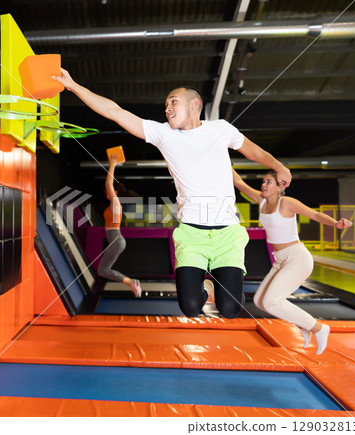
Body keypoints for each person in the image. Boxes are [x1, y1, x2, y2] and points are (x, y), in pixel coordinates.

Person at [54, 69, 292, 318]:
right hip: (191, 234)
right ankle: (206, 286)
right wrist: (73, 86)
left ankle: (223, 288)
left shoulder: (221, 129)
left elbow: (252, 151)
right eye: (165, 105)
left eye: (173, 102)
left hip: (227, 235)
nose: (167, 108)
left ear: (194, 104)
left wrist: (278, 166)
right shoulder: (163, 134)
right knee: (190, 307)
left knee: (230, 309)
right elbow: (115, 112)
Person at [232, 169, 352, 354]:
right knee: (259, 301)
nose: (263, 185)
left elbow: (315, 215)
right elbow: (239, 182)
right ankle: (305, 325)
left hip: (297, 258)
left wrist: (336, 223)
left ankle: (318, 328)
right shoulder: (261, 200)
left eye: (269, 182)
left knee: (271, 301)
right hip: (280, 260)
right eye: (263, 182)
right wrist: (222, 157)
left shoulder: (286, 202)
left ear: (281, 186)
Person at [97, 152, 142, 297]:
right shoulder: (113, 204)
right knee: (104, 270)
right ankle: (132, 283)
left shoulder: (116, 202)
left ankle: (132, 283)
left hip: (117, 240)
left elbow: (108, 183)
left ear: (115, 192)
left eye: (109, 192)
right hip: (116, 239)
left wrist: (112, 165)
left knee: (103, 270)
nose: (106, 193)